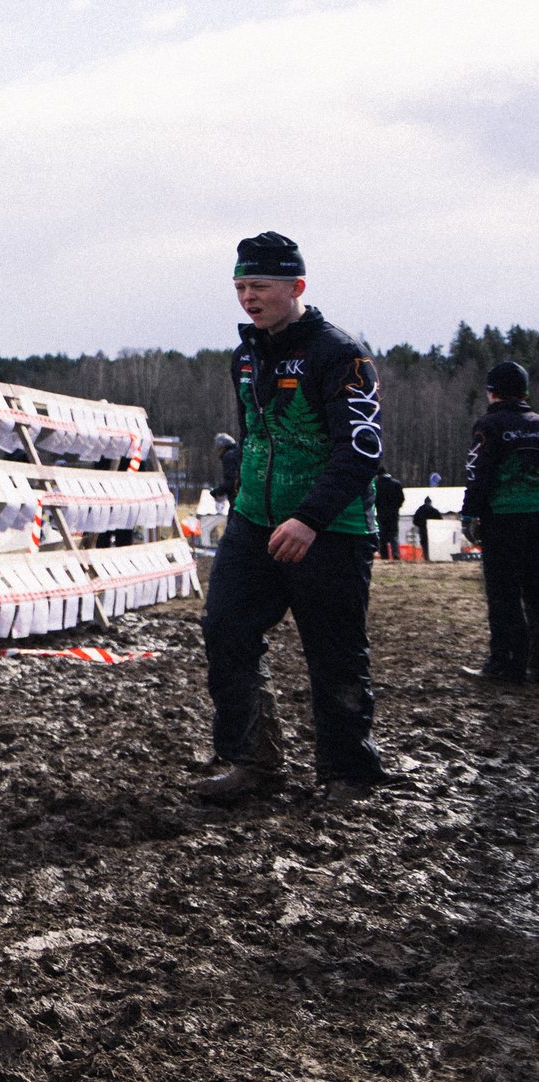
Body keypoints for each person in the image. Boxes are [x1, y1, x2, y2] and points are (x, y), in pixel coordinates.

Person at [195, 232, 396, 802]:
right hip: (254, 523)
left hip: (329, 529)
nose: (247, 297)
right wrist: (238, 488)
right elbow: (257, 434)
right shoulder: (245, 353)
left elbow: (361, 447)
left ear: (296, 286)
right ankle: (253, 762)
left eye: (259, 285)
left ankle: (348, 773)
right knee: (225, 629)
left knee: (333, 651)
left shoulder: (341, 354)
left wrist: (309, 518)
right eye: (239, 286)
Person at [462, 361, 539, 686]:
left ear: (492, 393)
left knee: (503, 594)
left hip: (503, 521)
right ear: (524, 392)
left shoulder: (489, 425)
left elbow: (478, 473)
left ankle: (506, 664)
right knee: (536, 594)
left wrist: (469, 514)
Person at [374, 467, 403, 560]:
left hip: (381, 514)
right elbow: (401, 499)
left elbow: (374, 500)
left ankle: (384, 556)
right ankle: (396, 554)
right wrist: (396, 507)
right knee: (394, 535)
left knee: (382, 537)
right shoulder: (396, 484)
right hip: (394, 514)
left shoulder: (376, 484)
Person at [413, 491, 440, 559]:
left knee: (424, 545)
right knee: (432, 544)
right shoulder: (434, 511)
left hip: (423, 530)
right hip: (432, 531)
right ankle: (432, 557)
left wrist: (420, 525)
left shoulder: (420, 510)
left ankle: (426, 557)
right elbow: (440, 520)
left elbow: (415, 521)